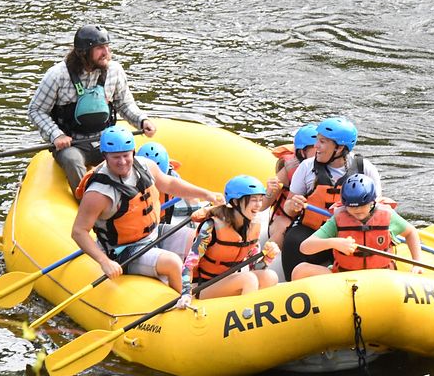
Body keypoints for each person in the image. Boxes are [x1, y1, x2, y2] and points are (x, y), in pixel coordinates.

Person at [71, 125, 223, 293]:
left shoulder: (145, 166)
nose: (122, 162)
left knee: (201, 238)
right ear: (105, 156)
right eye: (116, 157)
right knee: (173, 263)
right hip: (124, 251)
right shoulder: (98, 193)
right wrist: (104, 262)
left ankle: (206, 284)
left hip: (153, 234)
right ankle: (185, 302)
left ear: (133, 152)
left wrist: (207, 194)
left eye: (125, 155)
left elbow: (170, 184)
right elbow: (79, 231)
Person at [28, 24, 158, 192]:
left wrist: (142, 120)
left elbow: (124, 104)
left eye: (107, 47)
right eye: (99, 48)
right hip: (73, 144)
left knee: (126, 157)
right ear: (83, 53)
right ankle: (88, 203)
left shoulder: (114, 71)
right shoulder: (58, 75)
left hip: (104, 140)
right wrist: (57, 135)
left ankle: (131, 197)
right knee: (72, 160)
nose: (106, 53)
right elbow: (36, 110)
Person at [279, 117, 381, 280]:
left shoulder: (364, 169)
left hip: (349, 233)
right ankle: (292, 286)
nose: (316, 146)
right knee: (293, 241)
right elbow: (288, 208)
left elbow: (376, 208)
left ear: (339, 148)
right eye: (316, 141)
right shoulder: (307, 167)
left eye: (322, 142)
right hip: (312, 230)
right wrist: (293, 205)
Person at [291, 174, 423, 280]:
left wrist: (416, 262)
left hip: (381, 279)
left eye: (362, 206)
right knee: (300, 270)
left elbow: (411, 232)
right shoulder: (338, 219)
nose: (357, 210)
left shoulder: (388, 216)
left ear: (372, 202)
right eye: (351, 207)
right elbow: (305, 247)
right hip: (345, 278)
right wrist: (334, 242)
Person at [189, 175, 280, 299]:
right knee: (248, 279)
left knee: (270, 276)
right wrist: (184, 294)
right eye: (253, 200)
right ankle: (247, 316)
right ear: (235, 201)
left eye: (260, 199)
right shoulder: (211, 227)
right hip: (201, 286)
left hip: (228, 282)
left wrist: (267, 258)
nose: (259, 205)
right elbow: (189, 264)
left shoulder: (251, 227)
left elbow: (254, 268)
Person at [136, 142, 201, 261]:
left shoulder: (172, 177)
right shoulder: (131, 182)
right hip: (141, 224)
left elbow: (192, 199)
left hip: (161, 218)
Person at [264, 123, 317, 248]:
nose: (320, 151)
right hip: (285, 218)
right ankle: (263, 260)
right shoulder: (290, 168)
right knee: (284, 227)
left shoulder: (329, 170)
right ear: (302, 153)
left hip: (311, 222)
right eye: (316, 150)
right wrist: (270, 191)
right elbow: (262, 207)